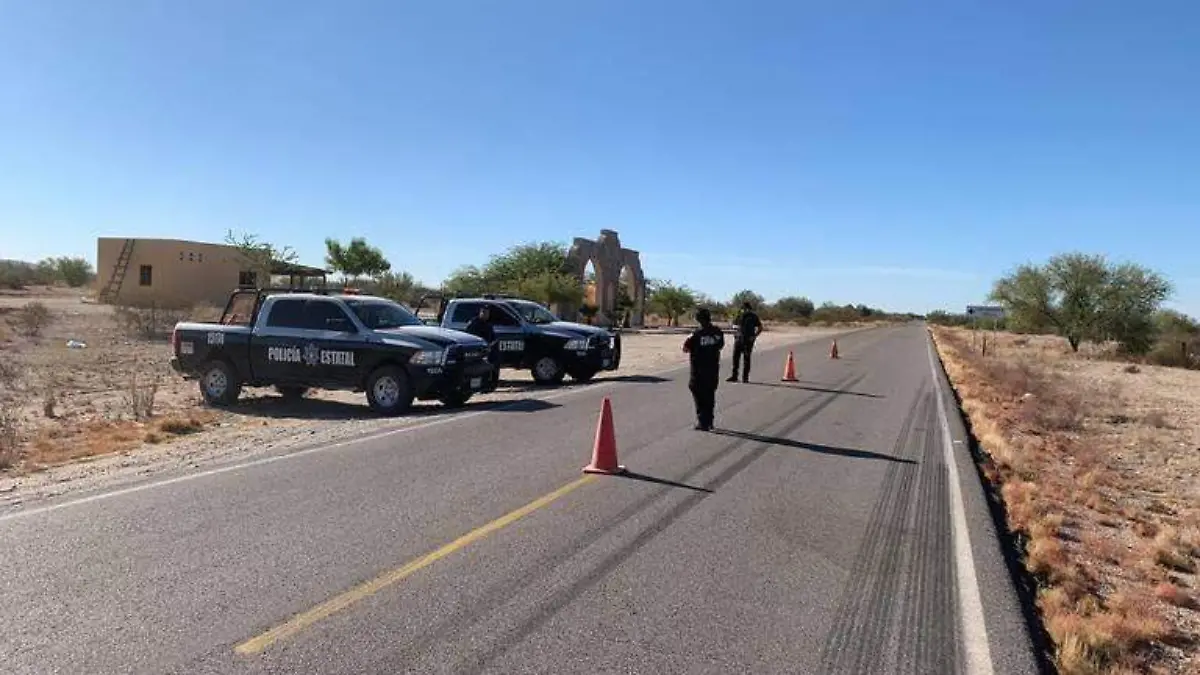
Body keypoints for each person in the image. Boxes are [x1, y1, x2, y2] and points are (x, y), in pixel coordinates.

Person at [682, 307, 725, 431]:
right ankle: (709, 421)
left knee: (699, 396)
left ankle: (703, 422)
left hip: (698, 371)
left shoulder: (696, 334)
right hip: (712, 369)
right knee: (710, 395)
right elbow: (721, 345)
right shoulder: (718, 332)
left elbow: (685, 348)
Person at [464, 305, 499, 392]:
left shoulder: (488, 324)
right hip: (477, 349)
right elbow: (468, 337)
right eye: (483, 312)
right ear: (480, 312)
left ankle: (491, 386)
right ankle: (482, 386)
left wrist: (492, 344)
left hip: (488, 348)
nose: (485, 315)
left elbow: (493, 337)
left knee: (495, 362)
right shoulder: (474, 323)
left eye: (487, 313)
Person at [728, 301, 763, 383]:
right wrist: (735, 334)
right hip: (739, 339)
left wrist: (754, 336)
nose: (744, 310)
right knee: (735, 358)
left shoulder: (753, 316)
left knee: (746, 359)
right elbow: (734, 325)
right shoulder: (739, 316)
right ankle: (734, 376)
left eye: (745, 309)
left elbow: (760, 327)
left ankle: (745, 377)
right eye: (743, 309)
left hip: (748, 340)